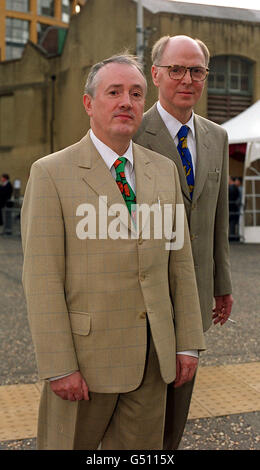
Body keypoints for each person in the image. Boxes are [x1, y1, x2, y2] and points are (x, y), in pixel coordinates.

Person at [21, 54, 206, 450]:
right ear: (90, 104)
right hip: (84, 364)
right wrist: (58, 366)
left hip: (153, 361)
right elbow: (41, 277)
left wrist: (187, 342)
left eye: (136, 93)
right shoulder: (51, 173)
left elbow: (180, 263)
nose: (127, 101)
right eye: (115, 92)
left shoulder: (163, 171)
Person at [134, 35, 233, 449]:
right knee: (138, 408)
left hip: (194, 294)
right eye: (176, 69)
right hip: (142, 293)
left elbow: (216, 216)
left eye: (196, 70)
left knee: (178, 409)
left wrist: (222, 284)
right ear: (156, 73)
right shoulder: (132, 131)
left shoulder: (217, 137)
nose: (186, 78)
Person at [229, 176, 240, 241]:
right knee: (232, 225)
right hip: (234, 208)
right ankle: (233, 237)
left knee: (232, 225)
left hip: (232, 208)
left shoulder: (232, 188)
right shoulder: (235, 188)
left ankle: (232, 238)